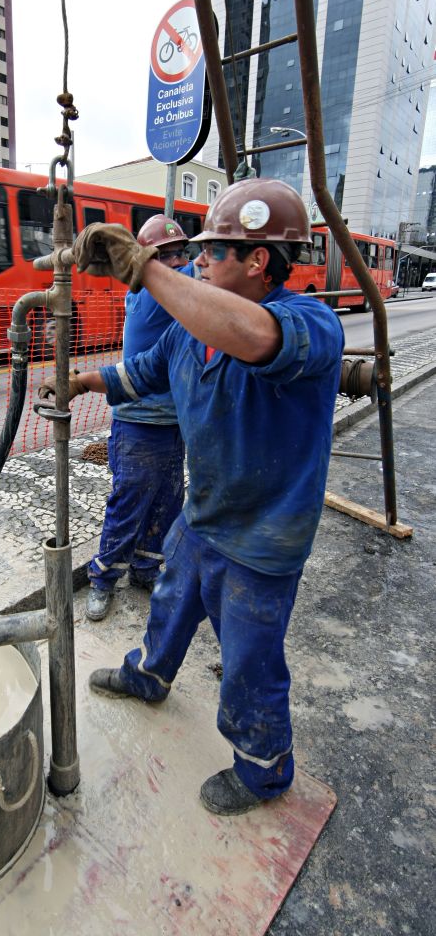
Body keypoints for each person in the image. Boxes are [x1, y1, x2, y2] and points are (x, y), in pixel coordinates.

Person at [38, 178, 344, 816]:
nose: (197, 261)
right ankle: (148, 674)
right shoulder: (189, 331)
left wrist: (144, 267)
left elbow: (254, 339)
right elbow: (143, 372)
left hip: (262, 535)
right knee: (172, 600)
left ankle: (263, 769)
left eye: (212, 251)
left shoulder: (309, 323)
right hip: (203, 514)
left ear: (257, 261)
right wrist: (83, 382)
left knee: (248, 659)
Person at [85, 214, 191, 622]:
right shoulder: (150, 296)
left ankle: (146, 569)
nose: (177, 262)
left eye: (182, 253)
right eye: (165, 256)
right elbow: (205, 281)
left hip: (172, 424)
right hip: (139, 424)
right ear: (144, 263)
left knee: (167, 503)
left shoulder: (171, 292)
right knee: (128, 505)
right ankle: (103, 579)